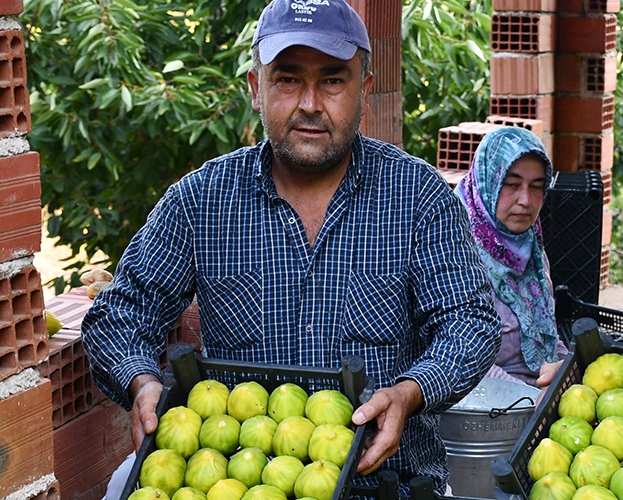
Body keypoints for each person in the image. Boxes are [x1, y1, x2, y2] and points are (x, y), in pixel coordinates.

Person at [82, 0, 501, 496]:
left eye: (332, 80)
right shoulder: (201, 202)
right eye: (287, 79)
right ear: (256, 89)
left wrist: (410, 393)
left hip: (393, 482)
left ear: (363, 89)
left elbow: (470, 322)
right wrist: (142, 383)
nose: (309, 103)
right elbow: (119, 316)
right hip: (240, 483)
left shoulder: (418, 199)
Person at [454, 127, 568, 389]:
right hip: (484, 406)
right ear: (487, 181)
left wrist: (567, 372)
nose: (526, 200)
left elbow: (549, 339)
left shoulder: (529, 249)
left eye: (537, 187)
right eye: (512, 185)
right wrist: (531, 399)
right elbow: (460, 362)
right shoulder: (455, 253)